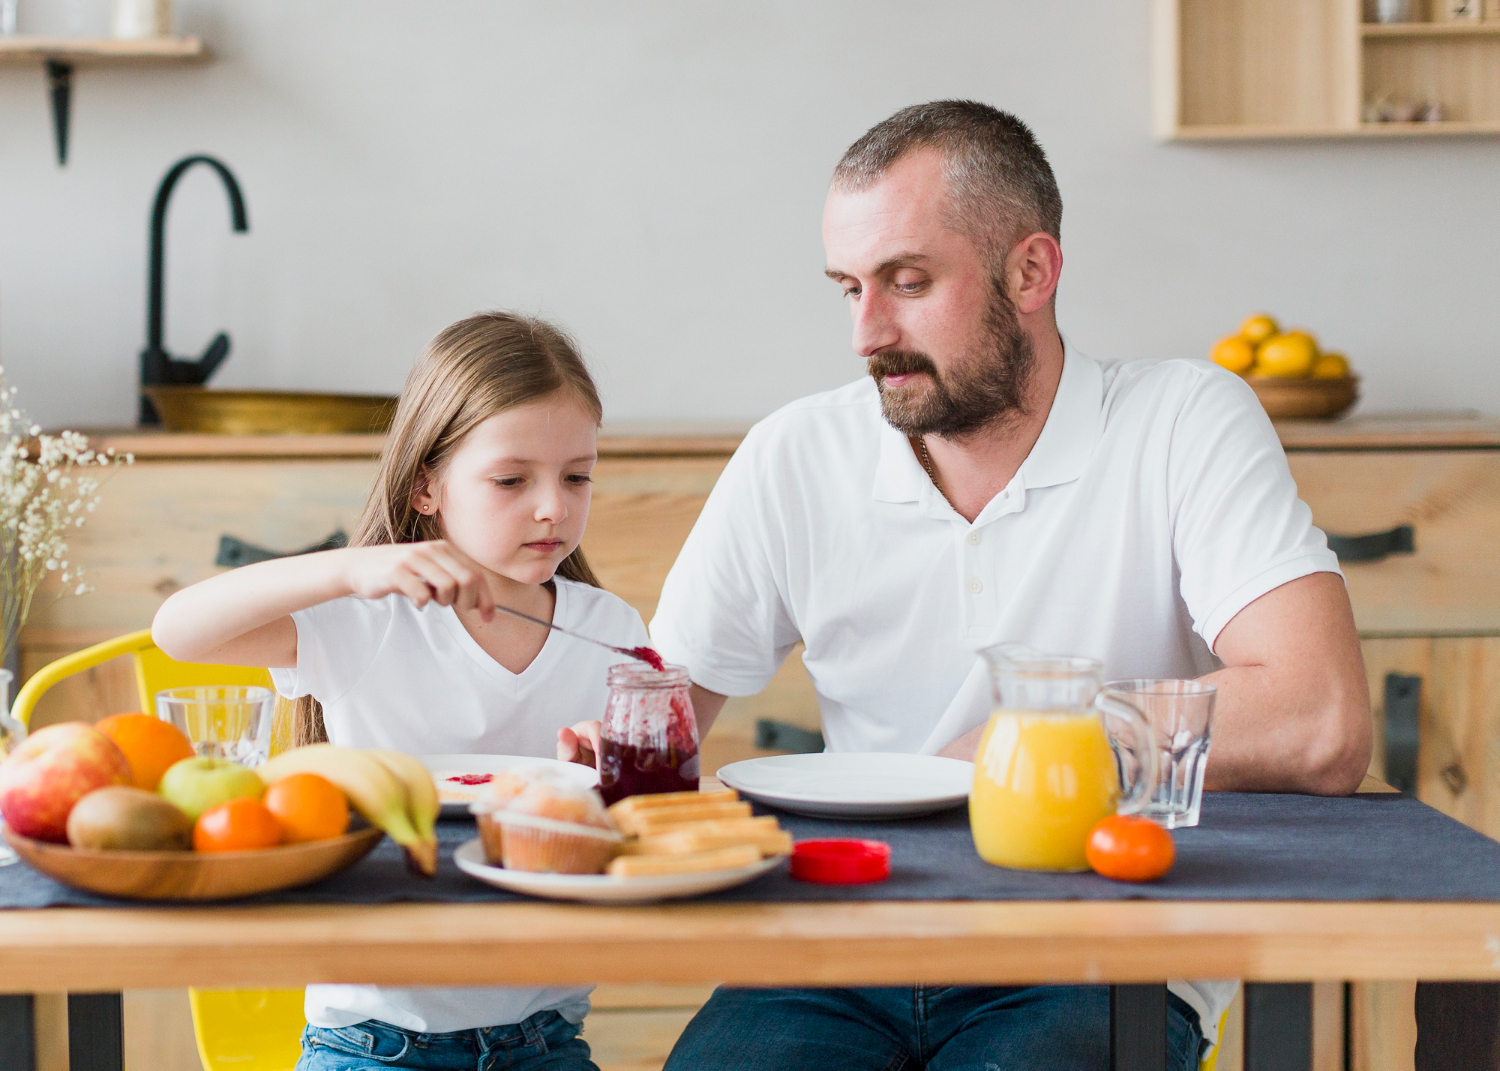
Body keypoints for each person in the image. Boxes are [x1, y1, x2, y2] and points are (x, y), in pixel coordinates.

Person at [565, 102, 1374, 1069]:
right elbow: (659, 718)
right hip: (840, 943)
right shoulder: (796, 453)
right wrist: (591, 736)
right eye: (849, 288)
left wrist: (1019, 746)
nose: (867, 332)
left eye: (908, 282)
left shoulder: (1182, 421)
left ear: (1031, 271)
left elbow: (1320, 717)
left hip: (1099, 949)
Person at [153, 311, 646, 1071]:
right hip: (373, 1044)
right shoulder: (367, 618)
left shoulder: (610, 628)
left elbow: (642, 827)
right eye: (511, 480)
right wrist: (349, 569)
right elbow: (178, 631)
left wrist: (622, 774)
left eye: (576, 476)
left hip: (544, 1038)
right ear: (426, 487)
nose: (553, 505)